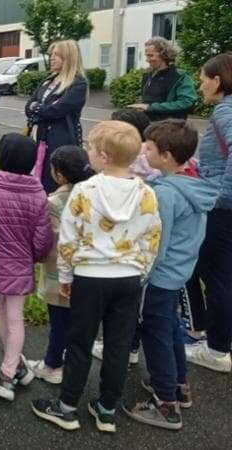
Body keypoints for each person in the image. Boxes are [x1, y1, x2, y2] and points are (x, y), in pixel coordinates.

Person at [31, 121, 162, 434]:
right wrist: (141, 270)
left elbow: (68, 240)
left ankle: (66, 408)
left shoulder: (84, 192)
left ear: (103, 156)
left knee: (79, 343)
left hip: (88, 276)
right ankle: (106, 410)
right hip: (129, 278)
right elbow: (152, 236)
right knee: (117, 346)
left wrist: (65, 276)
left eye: (89, 146)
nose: (86, 150)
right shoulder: (146, 193)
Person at [124, 120, 217, 430]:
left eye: (148, 148)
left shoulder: (164, 195)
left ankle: (165, 404)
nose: (143, 151)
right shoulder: (194, 185)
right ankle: (178, 385)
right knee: (171, 329)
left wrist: (140, 275)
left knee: (156, 335)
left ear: (165, 155)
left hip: (159, 277)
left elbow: (155, 244)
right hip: (180, 271)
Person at [0, 133, 54, 401]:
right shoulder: (38, 193)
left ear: (0, 156)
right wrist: (34, 258)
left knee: (1, 312)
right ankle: (15, 365)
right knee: (15, 316)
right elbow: (43, 238)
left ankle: (6, 375)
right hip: (20, 264)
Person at [27, 145, 95, 385]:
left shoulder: (54, 201)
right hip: (94, 271)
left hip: (61, 274)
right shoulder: (96, 194)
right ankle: (74, 364)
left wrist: (36, 256)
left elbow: (49, 241)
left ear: (59, 175)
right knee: (82, 323)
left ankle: (53, 364)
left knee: (59, 323)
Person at [187, 53, 232, 373]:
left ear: (218, 80)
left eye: (203, 78)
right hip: (223, 202)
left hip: (222, 209)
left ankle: (216, 349)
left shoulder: (225, 112)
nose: (200, 84)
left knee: (215, 275)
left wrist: (219, 197)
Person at [26, 40, 88, 193]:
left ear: (68, 58)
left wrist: (38, 109)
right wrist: (40, 108)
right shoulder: (48, 80)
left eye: (56, 55)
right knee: (36, 173)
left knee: (53, 178)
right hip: (39, 137)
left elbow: (57, 110)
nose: (52, 58)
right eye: (51, 55)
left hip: (59, 140)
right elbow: (29, 106)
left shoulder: (78, 83)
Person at [129, 37, 198, 122]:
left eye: (150, 56)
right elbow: (147, 101)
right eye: (146, 56)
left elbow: (187, 103)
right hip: (148, 127)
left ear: (163, 55)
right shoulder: (147, 75)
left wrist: (151, 107)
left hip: (171, 128)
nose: (147, 60)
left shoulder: (180, 77)